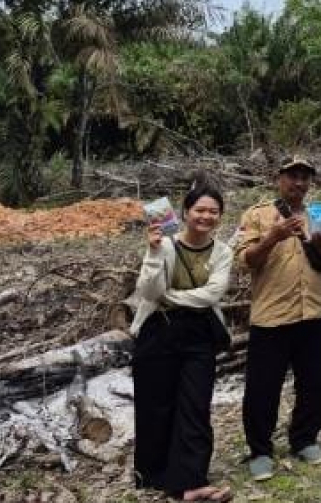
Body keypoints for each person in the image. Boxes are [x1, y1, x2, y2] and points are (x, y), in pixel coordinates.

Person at [234, 158, 321, 481]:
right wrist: (273, 236)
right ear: (278, 178)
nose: (299, 183)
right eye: (292, 176)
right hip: (272, 316)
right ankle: (260, 450)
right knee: (262, 388)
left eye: (304, 178)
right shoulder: (257, 215)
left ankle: (304, 439)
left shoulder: (319, 214)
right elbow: (245, 261)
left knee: (313, 381)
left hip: (313, 311)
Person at [131, 180, 234, 502]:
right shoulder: (163, 243)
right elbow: (148, 293)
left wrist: (172, 297)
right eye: (200, 210)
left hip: (199, 335)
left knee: (195, 405)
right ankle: (155, 475)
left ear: (220, 216)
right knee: (156, 405)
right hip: (157, 331)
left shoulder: (222, 252)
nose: (206, 217)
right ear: (185, 212)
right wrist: (152, 252)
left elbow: (212, 294)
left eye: (213, 212)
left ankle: (191, 482)